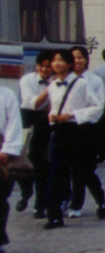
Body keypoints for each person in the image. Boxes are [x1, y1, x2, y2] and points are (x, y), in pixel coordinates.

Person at [44, 48, 105, 226]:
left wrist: (72, 114)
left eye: (61, 61)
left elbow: (97, 107)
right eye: (54, 61)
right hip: (59, 132)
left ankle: (100, 199)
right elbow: (54, 107)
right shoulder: (52, 85)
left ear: (69, 64)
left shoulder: (82, 83)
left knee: (83, 172)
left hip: (80, 132)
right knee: (56, 172)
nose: (56, 64)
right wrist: (53, 117)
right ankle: (54, 215)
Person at [17, 52, 51, 217]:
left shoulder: (60, 81)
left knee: (41, 166)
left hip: (46, 123)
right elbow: (34, 103)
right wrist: (50, 90)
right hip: (28, 120)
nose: (44, 69)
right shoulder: (27, 80)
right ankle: (25, 192)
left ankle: (40, 205)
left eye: (48, 66)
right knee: (21, 161)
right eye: (41, 66)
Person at [0, 83, 22, 253]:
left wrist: (7, 150)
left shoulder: (7, 94)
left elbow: (14, 123)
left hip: (2, 151)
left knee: (0, 197)